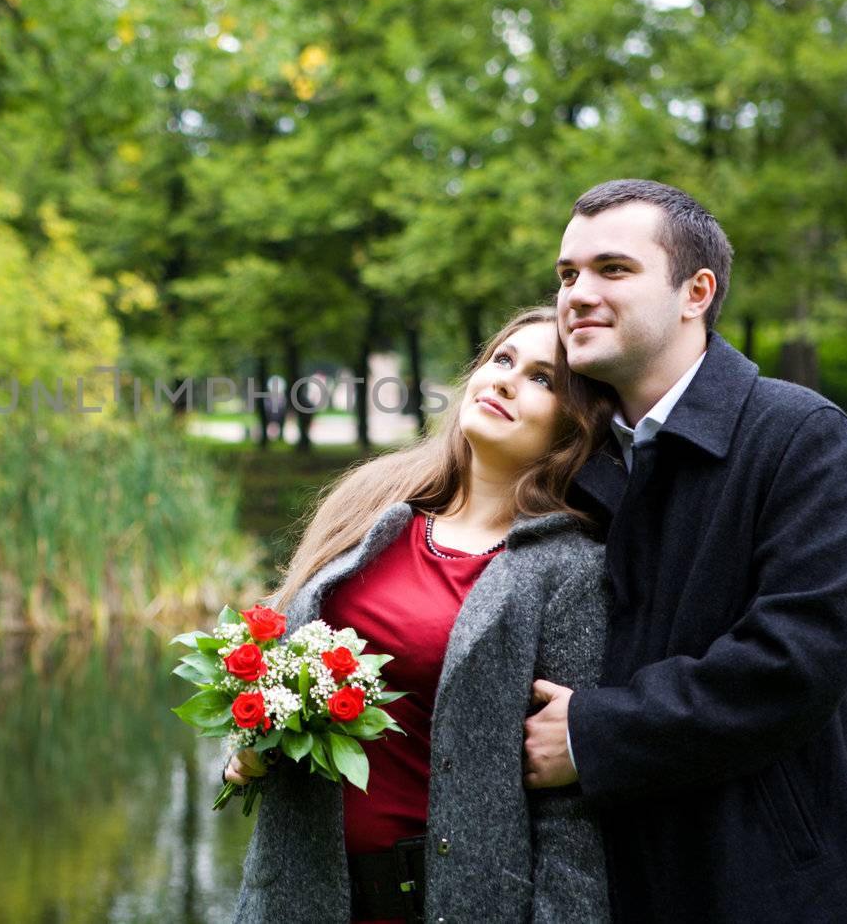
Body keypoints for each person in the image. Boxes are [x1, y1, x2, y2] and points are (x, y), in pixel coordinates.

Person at [523, 179, 847, 922]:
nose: (576, 293)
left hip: (787, 890)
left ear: (695, 291)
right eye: (567, 274)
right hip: (626, 885)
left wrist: (593, 733)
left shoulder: (802, 436)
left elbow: (794, 660)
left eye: (613, 269)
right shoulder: (578, 461)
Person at [223, 307, 617, 924]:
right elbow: (279, 654)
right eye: (502, 360)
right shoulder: (371, 501)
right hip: (297, 893)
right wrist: (249, 741)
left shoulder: (572, 569)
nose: (506, 381)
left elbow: (570, 811)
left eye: (543, 379)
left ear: (577, 426)